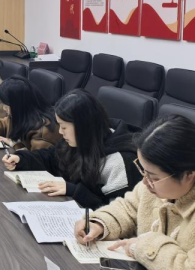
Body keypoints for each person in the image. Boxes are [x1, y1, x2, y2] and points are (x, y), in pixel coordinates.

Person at [74, 115, 195, 270]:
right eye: (143, 171)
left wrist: (142, 246)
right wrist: (99, 224)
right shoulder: (153, 187)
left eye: (154, 177)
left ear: (188, 175)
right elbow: (128, 208)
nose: (145, 182)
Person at [3, 89, 141, 209]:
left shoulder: (121, 162)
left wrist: (75, 191)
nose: (60, 132)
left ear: (83, 127)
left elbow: (117, 214)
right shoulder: (81, 139)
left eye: (64, 127)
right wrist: (21, 158)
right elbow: (52, 157)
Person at [0, 75, 62, 150]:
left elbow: (37, 160)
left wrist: (14, 143)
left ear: (18, 105)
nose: (4, 108)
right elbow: (6, 124)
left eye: (6, 105)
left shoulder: (44, 130)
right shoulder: (23, 114)